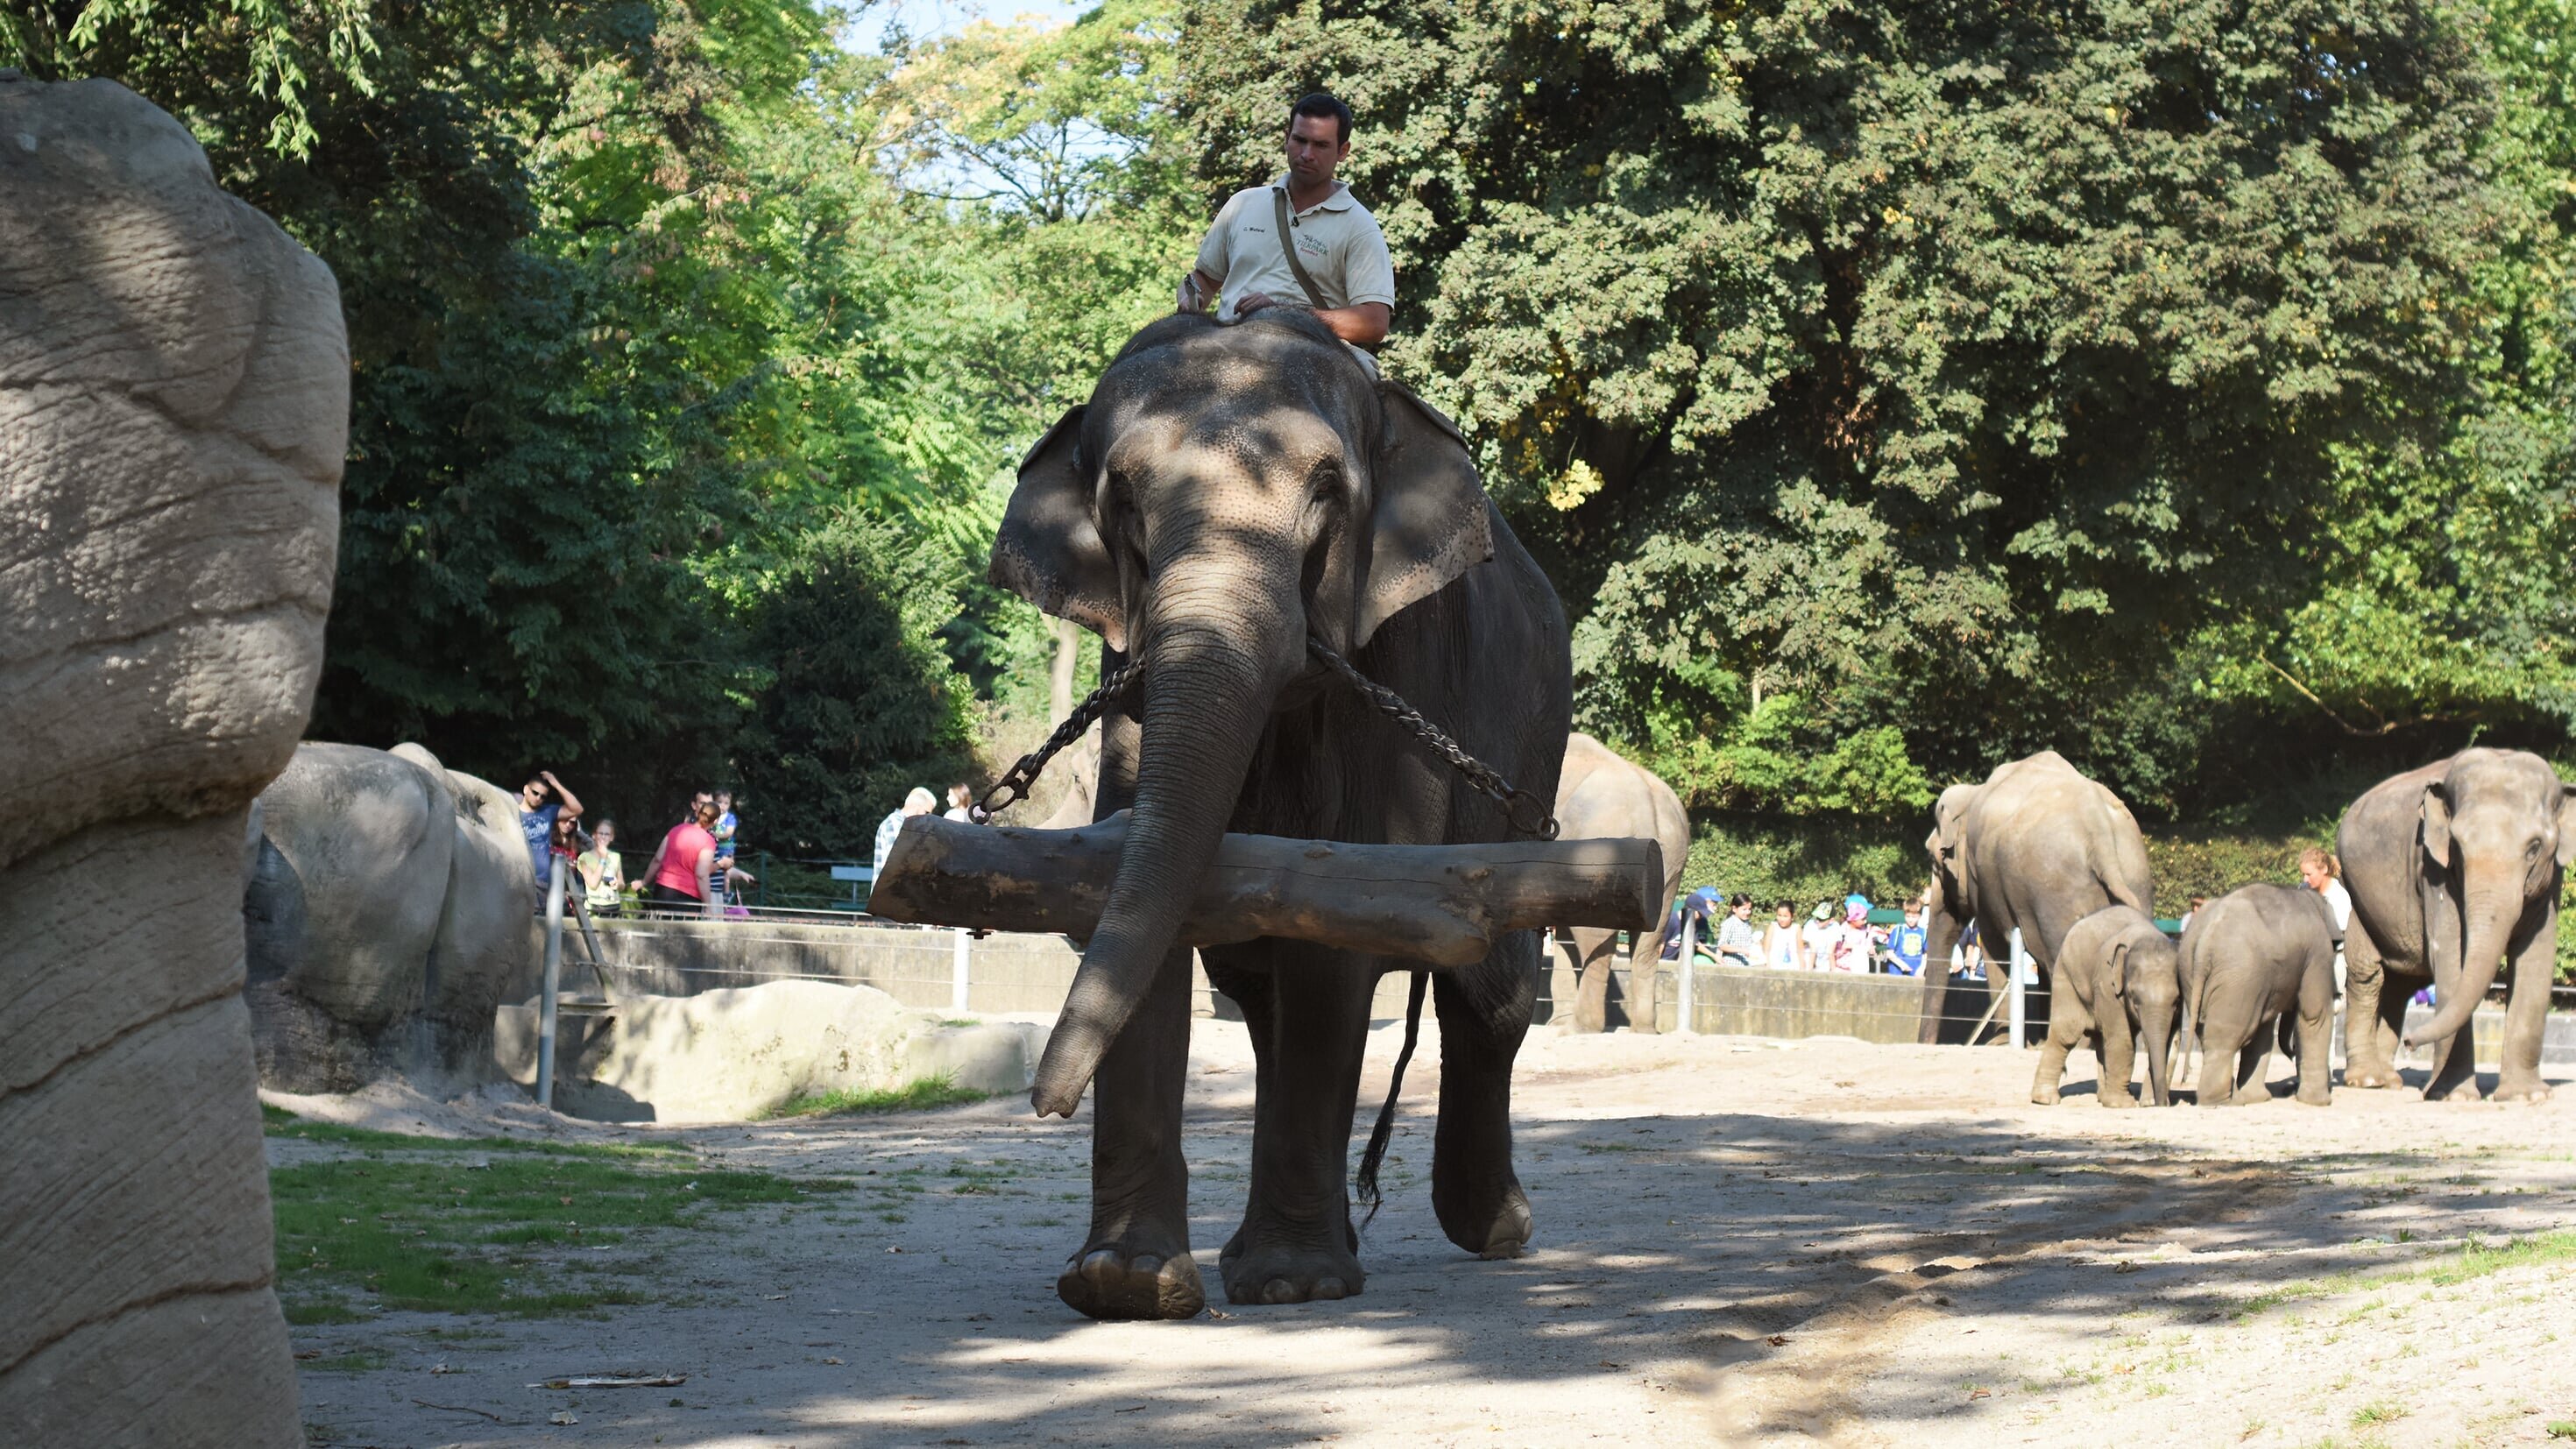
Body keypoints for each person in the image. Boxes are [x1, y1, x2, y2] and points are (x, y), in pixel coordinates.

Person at [1177, 92, 1396, 372]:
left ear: (1343, 151)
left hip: (1317, 358)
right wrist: (1188, 300)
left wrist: (1284, 315)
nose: (1306, 154)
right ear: (1286, 138)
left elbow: (1375, 323)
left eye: (1321, 145)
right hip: (1227, 346)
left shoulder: (1360, 226)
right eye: (1300, 140)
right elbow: (1205, 280)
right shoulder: (1242, 203)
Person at [640, 791, 722, 919]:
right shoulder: (708, 841)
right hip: (687, 897)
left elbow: (657, 859)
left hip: (662, 890)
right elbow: (701, 874)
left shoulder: (676, 830)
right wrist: (708, 905)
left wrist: (644, 881)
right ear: (715, 820)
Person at [515, 770, 584, 893]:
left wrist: (556, 784)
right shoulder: (512, 813)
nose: (538, 798)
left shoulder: (548, 811)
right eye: (535, 793)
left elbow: (577, 809)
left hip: (542, 883)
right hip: (519, 880)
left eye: (543, 796)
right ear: (526, 789)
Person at [2297, 847, 2353, 994]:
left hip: (2331, 964)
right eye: (2303, 874)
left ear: (2324, 869)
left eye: (2309, 874)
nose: (2305, 880)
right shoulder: (2303, 890)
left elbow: (2337, 937)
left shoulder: (2339, 897)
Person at [874, 786, 938, 877]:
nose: (928, 818)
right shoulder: (895, 823)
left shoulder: (908, 826)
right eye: (927, 812)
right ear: (916, 806)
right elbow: (899, 860)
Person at [577, 818, 626, 917]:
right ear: (594, 835)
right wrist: (603, 859)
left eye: (607, 834)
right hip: (594, 909)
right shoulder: (584, 857)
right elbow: (593, 884)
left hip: (613, 908)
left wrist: (618, 884)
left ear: (612, 837)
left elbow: (622, 885)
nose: (603, 837)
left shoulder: (615, 856)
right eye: (600, 833)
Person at [1822, 900, 1874, 973]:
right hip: (1842, 965)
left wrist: (1870, 947)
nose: (1865, 921)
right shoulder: (1843, 930)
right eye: (1862, 919)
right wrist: (1854, 947)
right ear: (1853, 920)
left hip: (1858, 965)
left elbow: (1867, 943)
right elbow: (1840, 947)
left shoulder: (1864, 930)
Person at [1714, 893, 1759, 968]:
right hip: (1732, 965)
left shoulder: (1747, 924)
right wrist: (1741, 950)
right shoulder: (1730, 923)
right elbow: (1722, 945)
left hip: (1745, 965)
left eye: (1749, 909)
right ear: (1734, 909)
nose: (1748, 912)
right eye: (1744, 909)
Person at [1885, 899, 1929, 976]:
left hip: (1915, 972)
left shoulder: (1924, 932)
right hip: (1897, 972)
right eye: (1908, 916)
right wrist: (1901, 965)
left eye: (1914, 917)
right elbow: (1889, 953)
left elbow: (1925, 954)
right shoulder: (1898, 930)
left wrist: (1922, 968)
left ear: (1920, 916)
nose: (1911, 920)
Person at [1763, 901, 1807, 970]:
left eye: (1785, 916)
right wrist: (1767, 965)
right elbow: (1766, 949)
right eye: (1779, 915)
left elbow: (1800, 950)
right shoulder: (1773, 927)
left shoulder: (1796, 928)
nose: (1782, 919)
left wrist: (1802, 968)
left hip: (1793, 968)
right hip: (1774, 967)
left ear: (1792, 917)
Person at [1801, 901, 1838, 972]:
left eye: (1821, 919)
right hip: (1810, 957)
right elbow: (1813, 950)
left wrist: (1833, 971)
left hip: (1825, 959)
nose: (1817, 921)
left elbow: (1830, 952)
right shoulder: (1810, 925)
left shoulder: (1835, 927)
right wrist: (1810, 970)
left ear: (1831, 920)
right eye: (1817, 918)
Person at [711, 790, 740, 877]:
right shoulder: (713, 816)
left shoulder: (730, 818)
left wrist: (716, 835)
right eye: (720, 802)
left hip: (726, 847)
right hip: (714, 848)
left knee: (726, 869)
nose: (722, 805)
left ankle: (726, 890)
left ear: (729, 805)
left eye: (726, 803)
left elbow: (729, 833)